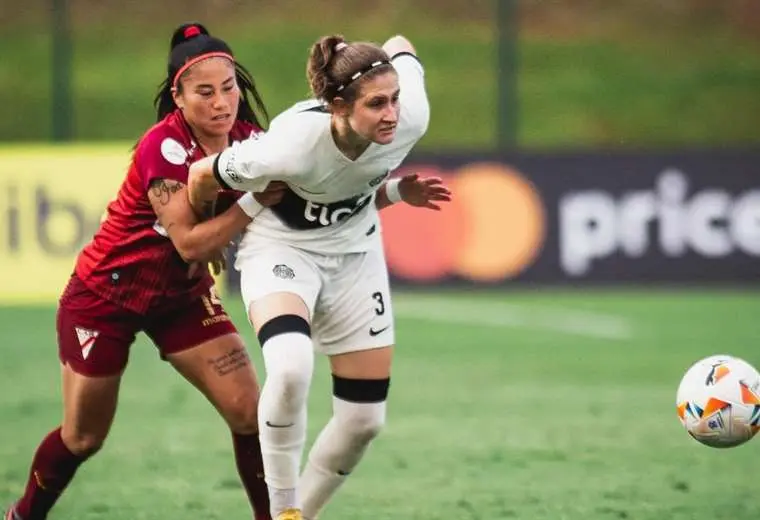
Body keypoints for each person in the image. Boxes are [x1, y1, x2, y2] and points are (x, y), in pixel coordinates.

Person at [4, 22, 282, 520]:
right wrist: (252, 205)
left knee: (249, 412)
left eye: (229, 88)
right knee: (83, 437)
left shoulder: (246, 140)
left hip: (179, 296)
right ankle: (23, 516)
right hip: (105, 298)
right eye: (205, 93)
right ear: (178, 96)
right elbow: (190, 241)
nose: (222, 103)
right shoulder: (163, 147)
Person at [186, 33, 449, 520]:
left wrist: (392, 192)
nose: (391, 113)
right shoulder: (287, 146)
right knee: (289, 366)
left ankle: (298, 516)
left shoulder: (410, 117)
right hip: (281, 249)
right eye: (376, 104)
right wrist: (207, 232)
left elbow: (401, 42)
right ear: (336, 106)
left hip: (355, 256)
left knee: (364, 421)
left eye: (393, 98)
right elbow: (201, 175)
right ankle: (279, 509)